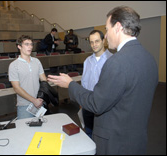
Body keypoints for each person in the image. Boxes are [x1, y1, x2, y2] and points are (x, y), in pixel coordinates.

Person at [48, 6, 158, 155]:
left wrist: (70, 84)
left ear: (118, 27)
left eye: (107, 29)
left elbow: (96, 103)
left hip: (115, 144)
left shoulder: (116, 62)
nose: (106, 36)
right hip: (136, 141)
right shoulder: (149, 59)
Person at [81, 30, 113, 138]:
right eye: (91, 42)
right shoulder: (87, 61)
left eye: (97, 41)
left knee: (103, 137)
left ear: (103, 41)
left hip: (104, 107)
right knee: (89, 134)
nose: (94, 45)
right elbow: (84, 83)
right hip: (88, 105)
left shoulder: (112, 60)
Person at [8, 35, 47, 119]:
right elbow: (16, 88)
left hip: (39, 103)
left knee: (42, 130)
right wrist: (34, 100)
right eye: (26, 44)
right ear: (19, 46)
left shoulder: (37, 61)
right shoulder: (14, 65)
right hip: (24, 105)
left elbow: (44, 80)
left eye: (31, 44)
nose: (30, 47)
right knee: (25, 131)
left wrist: (40, 98)